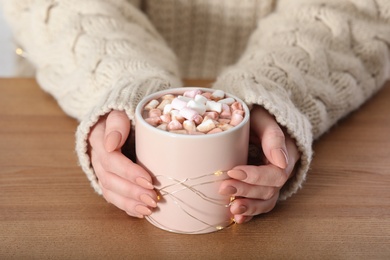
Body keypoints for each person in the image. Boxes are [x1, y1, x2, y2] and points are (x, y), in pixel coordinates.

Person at [1, 0, 389, 224]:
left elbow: (354, 10)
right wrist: (121, 82)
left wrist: (278, 89)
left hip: (302, 89)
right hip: (80, 93)